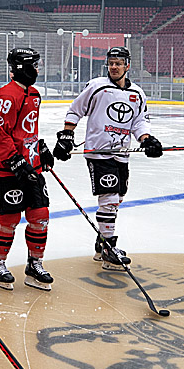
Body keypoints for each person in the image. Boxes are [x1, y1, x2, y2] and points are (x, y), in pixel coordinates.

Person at [52, 46, 162, 270]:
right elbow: (75, 110)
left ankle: (101, 240)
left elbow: (139, 121)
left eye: (118, 63)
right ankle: (109, 247)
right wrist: (66, 136)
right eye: (111, 63)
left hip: (122, 153)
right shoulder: (97, 86)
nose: (114, 66)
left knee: (118, 198)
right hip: (99, 152)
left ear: (127, 66)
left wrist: (147, 139)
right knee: (109, 199)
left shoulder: (137, 94)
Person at [0, 47, 55, 291]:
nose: (37, 70)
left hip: (30, 165)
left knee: (40, 215)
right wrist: (14, 160)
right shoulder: (6, 95)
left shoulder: (33, 95)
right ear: (21, 67)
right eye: (33, 65)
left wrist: (39, 149)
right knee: (9, 218)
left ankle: (34, 264)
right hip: (6, 168)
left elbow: (25, 131)